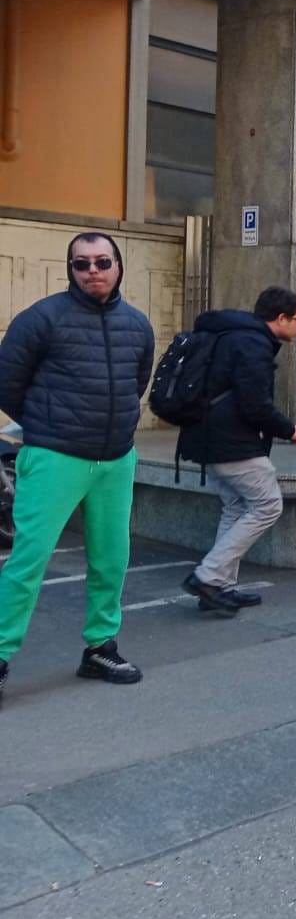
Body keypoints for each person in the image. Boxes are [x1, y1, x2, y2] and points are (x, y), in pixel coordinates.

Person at [0, 232, 155, 696]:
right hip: (54, 457)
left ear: (117, 266)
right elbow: (6, 382)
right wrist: (48, 426)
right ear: (70, 269)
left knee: (112, 559)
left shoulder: (138, 324)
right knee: (28, 561)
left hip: (115, 459)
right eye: (81, 263)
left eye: (101, 261)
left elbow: (137, 382)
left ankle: (100, 648)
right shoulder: (41, 319)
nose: (92, 270)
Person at [177, 287, 296, 616]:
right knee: (267, 505)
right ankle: (207, 577)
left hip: (208, 435)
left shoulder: (231, 335)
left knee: (235, 507)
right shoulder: (252, 343)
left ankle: (220, 586)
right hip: (231, 441)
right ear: (281, 318)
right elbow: (254, 403)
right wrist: (288, 429)